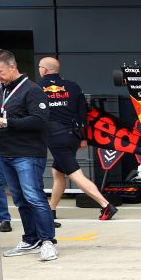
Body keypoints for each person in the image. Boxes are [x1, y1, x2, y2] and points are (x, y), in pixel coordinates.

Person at [38, 58, 118, 223]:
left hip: (55, 137)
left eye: (40, 67)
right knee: (57, 172)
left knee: (75, 174)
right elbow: (83, 114)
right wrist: (83, 138)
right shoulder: (73, 86)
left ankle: (106, 205)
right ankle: (51, 210)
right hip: (73, 135)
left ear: (44, 70)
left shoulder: (37, 88)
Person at [0, 50, 57, 261]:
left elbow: (40, 121)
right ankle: (31, 239)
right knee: (21, 200)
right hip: (7, 153)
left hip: (28, 154)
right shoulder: (2, 91)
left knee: (34, 198)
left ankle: (48, 241)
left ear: (12, 67)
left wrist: (4, 122)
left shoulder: (32, 90)